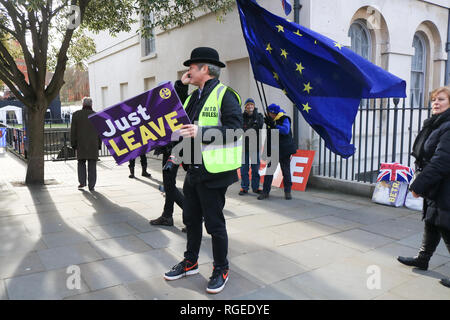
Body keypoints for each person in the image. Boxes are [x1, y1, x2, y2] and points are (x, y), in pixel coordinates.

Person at [163, 47, 243, 294]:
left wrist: (203, 133)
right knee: (190, 219)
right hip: (194, 170)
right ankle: (191, 262)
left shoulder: (226, 95)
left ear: (205, 68)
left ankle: (222, 268)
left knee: (214, 224)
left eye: (191, 67)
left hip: (214, 172)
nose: (188, 71)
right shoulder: (192, 97)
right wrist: (181, 84)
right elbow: (176, 117)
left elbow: (236, 130)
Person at [397, 86, 450, 288]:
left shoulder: (448, 126)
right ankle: (423, 258)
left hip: (444, 184)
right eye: (434, 99)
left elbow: (441, 161)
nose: (435, 102)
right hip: (436, 183)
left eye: (441, 99)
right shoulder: (436, 124)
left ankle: (423, 258)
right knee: (431, 221)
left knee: (445, 225)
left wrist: (418, 185)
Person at [258, 103, 296, 200]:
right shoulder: (270, 121)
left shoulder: (284, 119)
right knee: (269, 171)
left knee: (286, 171)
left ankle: (287, 191)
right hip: (274, 150)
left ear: (273, 113)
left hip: (284, 150)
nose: (267, 114)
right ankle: (265, 192)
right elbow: (269, 137)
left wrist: (274, 125)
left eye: (269, 112)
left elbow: (285, 130)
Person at [71, 97, 101, 191]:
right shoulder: (96, 115)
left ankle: (82, 182)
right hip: (93, 144)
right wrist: (99, 144)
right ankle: (91, 185)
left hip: (81, 144)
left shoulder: (76, 115)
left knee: (81, 163)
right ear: (91, 105)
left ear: (83, 104)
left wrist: (73, 143)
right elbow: (99, 132)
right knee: (92, 164)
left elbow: (73, 131)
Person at [239, 98, 264, 195]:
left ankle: (256, 187)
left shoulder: (259, 116)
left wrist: (248, 129)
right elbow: (240, 129)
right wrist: (252, 127)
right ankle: (244, 187)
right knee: (244, 169)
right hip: (244, 147)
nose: (250, 106)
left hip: (255, 147)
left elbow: (259, 126)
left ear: (254, 106)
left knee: (255, 169)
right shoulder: (241, 117)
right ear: (245, 107)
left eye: (251, 105)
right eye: (248, 105)